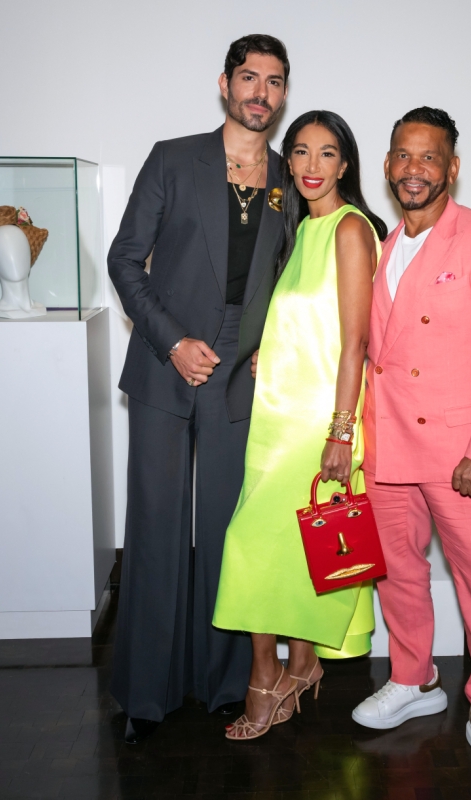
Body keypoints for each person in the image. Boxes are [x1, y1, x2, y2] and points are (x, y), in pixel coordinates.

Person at [106, 34, 290, 745]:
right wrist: (172, 340)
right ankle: (144, 697)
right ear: (224, 84)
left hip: (240, 373)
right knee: (154, 531)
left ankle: (223, 684)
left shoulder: (287, 177)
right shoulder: (172, 157)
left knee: (225, 532)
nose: (261, 93)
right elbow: (125, 260)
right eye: (250, 77)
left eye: (275, 82)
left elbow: (290, 280)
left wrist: (274, 352)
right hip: (165, 359)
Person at [351, 107, 471, 791]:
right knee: (397, 572)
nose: (413, 169)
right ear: (388, 163)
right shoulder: (378, 244)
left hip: (464, 457)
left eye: (429, 157)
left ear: (451, 168)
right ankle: (413, 677)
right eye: (403, 155)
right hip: (389, 444)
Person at [213, 110, 386, 741]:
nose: (313, 166)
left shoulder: (349, 230)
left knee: (258, 546)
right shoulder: (295, 232)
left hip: (316, 423)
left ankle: (267, 678)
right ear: (289, 163)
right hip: (276, 418)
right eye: (302, 153)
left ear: (346, 165)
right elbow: (301, 320)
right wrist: (271, 347)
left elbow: (355, 343)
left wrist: (341, 432)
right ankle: (301, 667)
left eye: (328, 154)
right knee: (290, 554)